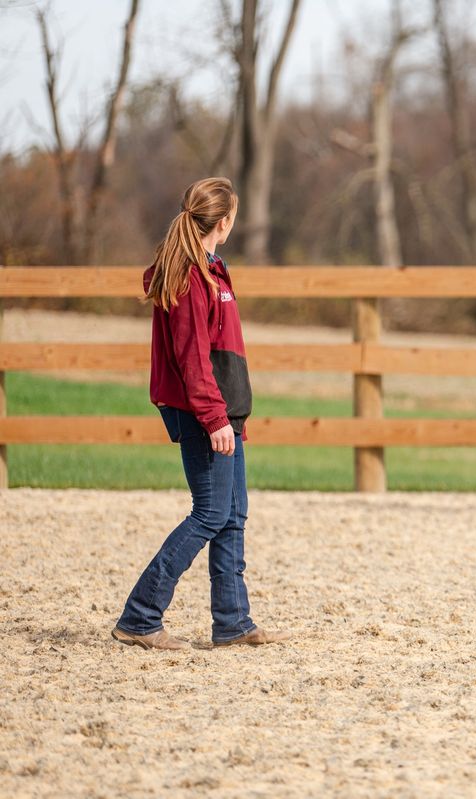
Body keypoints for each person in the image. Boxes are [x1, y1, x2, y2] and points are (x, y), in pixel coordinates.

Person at [112, 177, 288, 649]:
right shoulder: (190, 276)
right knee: (210, 513)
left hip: (226, 410)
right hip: (205, 411)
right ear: (225, 222)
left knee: (233, 513)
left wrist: (231, 415)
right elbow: (193, 358)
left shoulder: (212, 270)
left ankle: (232, 622)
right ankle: (141, 616)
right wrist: (213, 419)